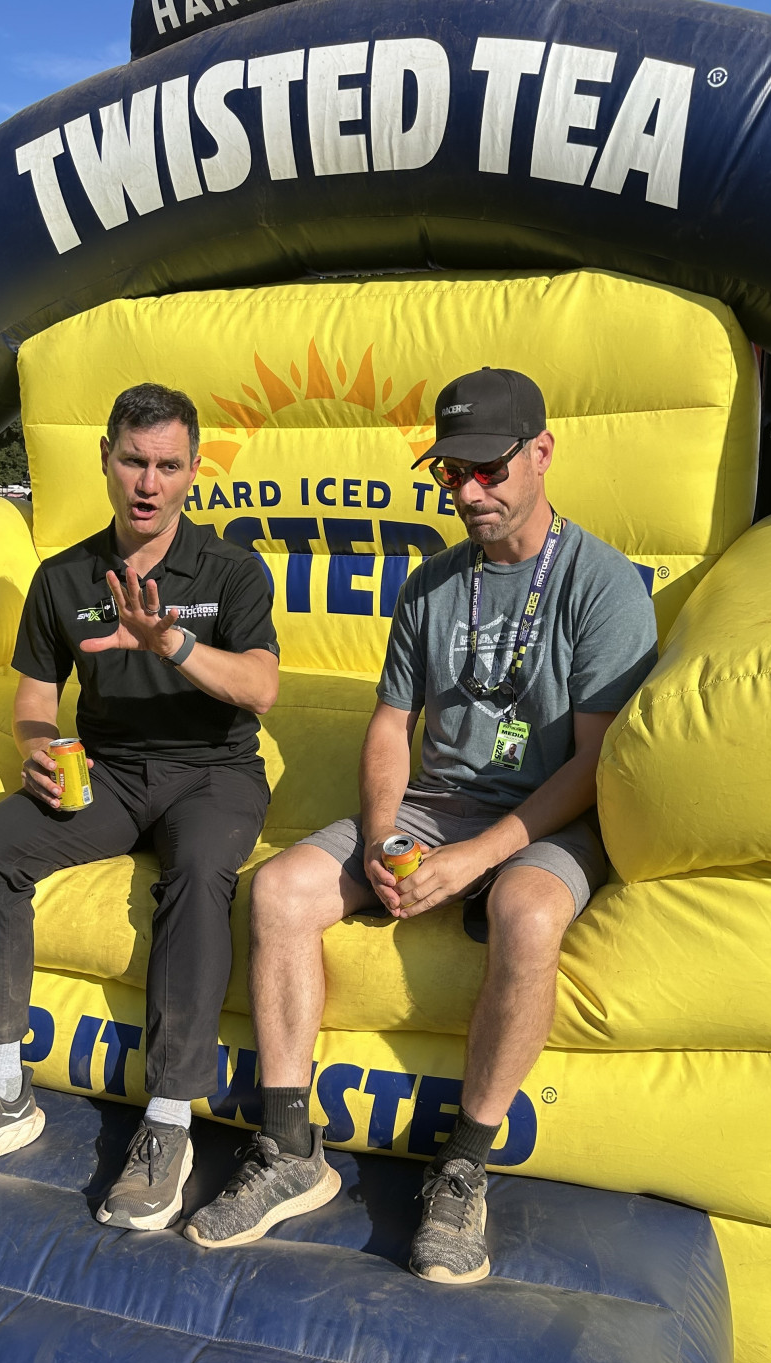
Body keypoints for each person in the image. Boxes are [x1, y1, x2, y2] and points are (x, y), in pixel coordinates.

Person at [184, 367, 657, 1282]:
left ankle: (464, 1168)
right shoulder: (433, 583)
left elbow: (595, 765)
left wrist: (478, 857)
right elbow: (390, 727)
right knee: (280, 890)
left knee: (527, 912)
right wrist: (380, 839)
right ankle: (290, 1148)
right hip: (432, 806)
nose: (469, 493)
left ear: (542, 453)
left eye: (489, 470)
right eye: (452, 473)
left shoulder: (602, 586)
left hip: (549, 814)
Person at [0, 383, 280, 1230]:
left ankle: (167, 1123)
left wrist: (169, 640)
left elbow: (260, 688)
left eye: (167, 465)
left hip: (213, 773)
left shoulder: (231, 570)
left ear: (193, 471)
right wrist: (36, 748)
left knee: (199, 873)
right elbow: (35, 692)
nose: (148, 482)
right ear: (105, 458)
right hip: (110, 771)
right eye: (133, 461)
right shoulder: (63, 575)